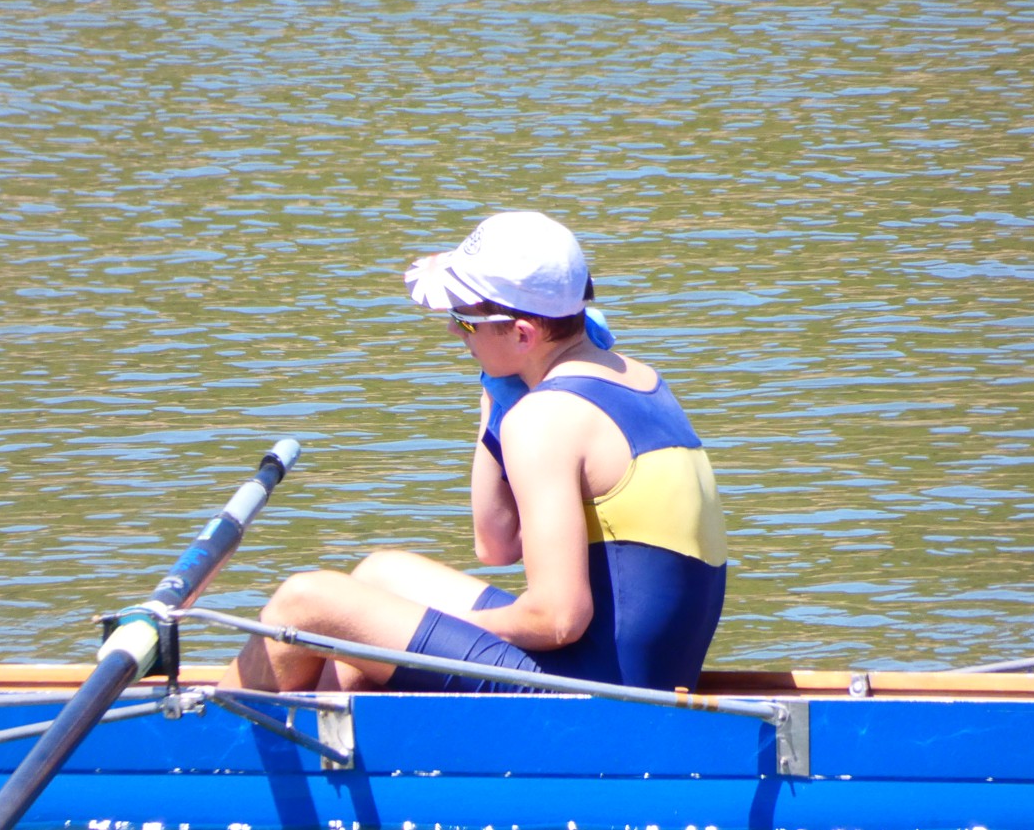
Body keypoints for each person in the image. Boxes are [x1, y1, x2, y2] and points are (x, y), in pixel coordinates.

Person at [220, 210, 726, 693]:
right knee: (382, 575)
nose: (452, 330)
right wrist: (495, 402)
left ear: (523, 333)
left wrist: (414, 626)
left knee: (306, 602)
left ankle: (199, 736)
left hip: (603, 697)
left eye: (464, 321)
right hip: (634, 671)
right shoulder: (636, 378)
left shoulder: (547, 418)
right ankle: (327, 733)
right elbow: (496, 545)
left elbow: (557, 619)